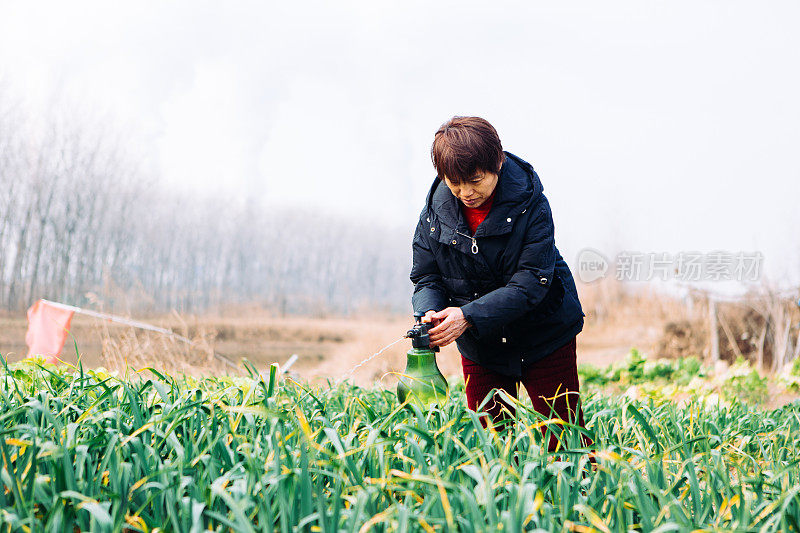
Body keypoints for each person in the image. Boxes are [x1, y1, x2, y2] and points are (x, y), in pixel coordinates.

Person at [410, 116, 593, 452]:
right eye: (454, 182)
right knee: (492, 447)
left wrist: (466, 316)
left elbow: (530, 283)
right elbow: (427, 276)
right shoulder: (433, 216)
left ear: (497, 163)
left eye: (475, 181)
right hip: (483, 346)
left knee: (565, 441)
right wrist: (429, 311)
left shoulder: (532, 205)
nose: (466, 192)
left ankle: (580, 498)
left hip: (544, 335)